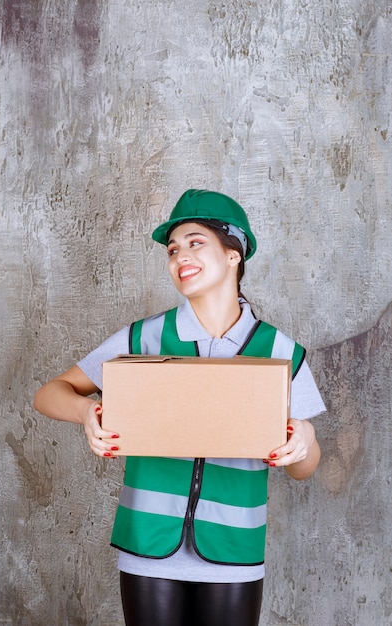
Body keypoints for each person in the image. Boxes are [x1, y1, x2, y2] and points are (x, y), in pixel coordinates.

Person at [34, 189, 325, 626]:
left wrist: (305, 441)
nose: (179, 257)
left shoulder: (281, 352)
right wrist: (85, 415)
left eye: (194, 242)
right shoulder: (142, 339)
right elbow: (49, 393)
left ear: (234, 254)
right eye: (172, 250)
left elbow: (305, 469)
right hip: (148, 548)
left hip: (234, 550)